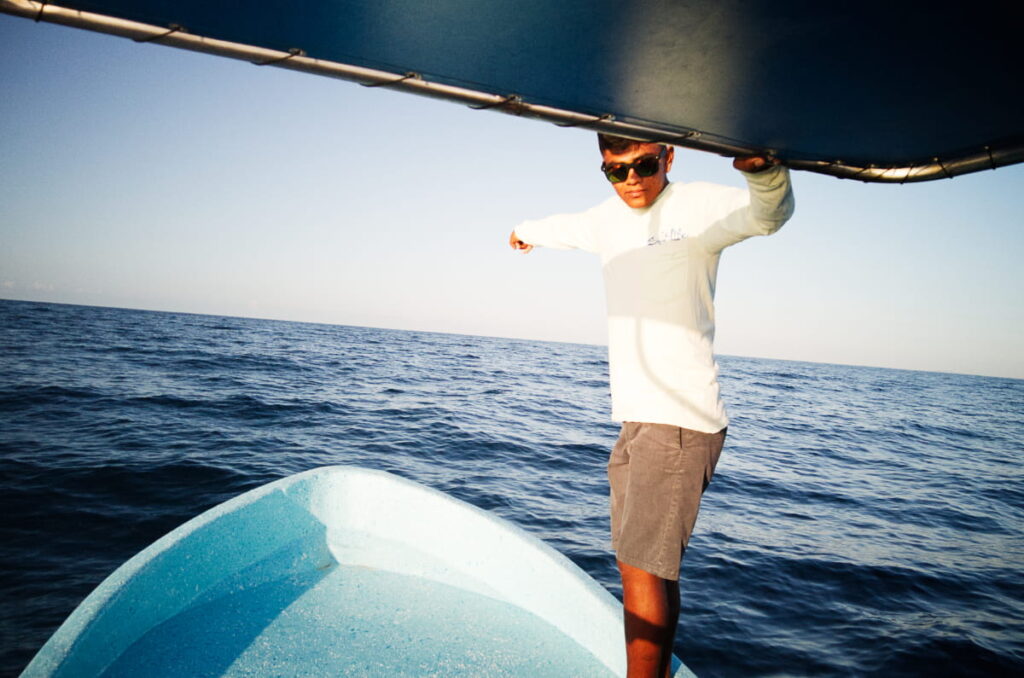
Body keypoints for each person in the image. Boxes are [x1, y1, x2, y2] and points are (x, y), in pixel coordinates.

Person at [508, 134, 794, 678]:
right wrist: (524, 232)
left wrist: (764, 174)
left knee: (639, 566)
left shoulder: (698, 207)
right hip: (639, 419)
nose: (632, 180)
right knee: (651, 569)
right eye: (616, 171)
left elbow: (768, 215)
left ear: (668, 156)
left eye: (643, 165)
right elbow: (565, 227)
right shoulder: (605, 218)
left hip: (681, 420)